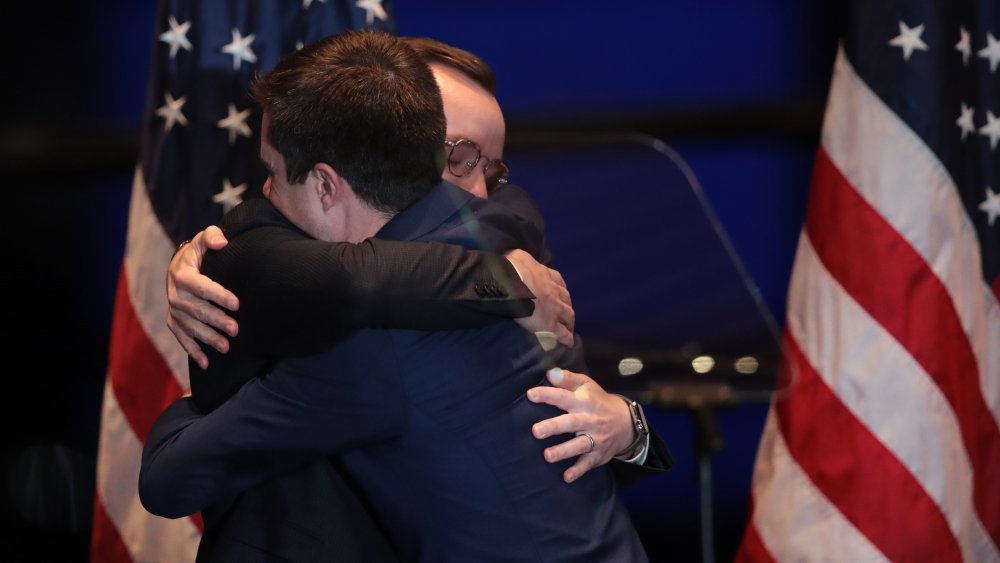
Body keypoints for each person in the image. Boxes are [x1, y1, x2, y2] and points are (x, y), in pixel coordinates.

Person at [140, 29, 651, 561]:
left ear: (327, 181)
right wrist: (196, 253)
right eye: (457, 155)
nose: (476, 190)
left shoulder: (369, 345)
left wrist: (202, 400)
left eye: (488, 168)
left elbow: (166, 479)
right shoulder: (509, 240)